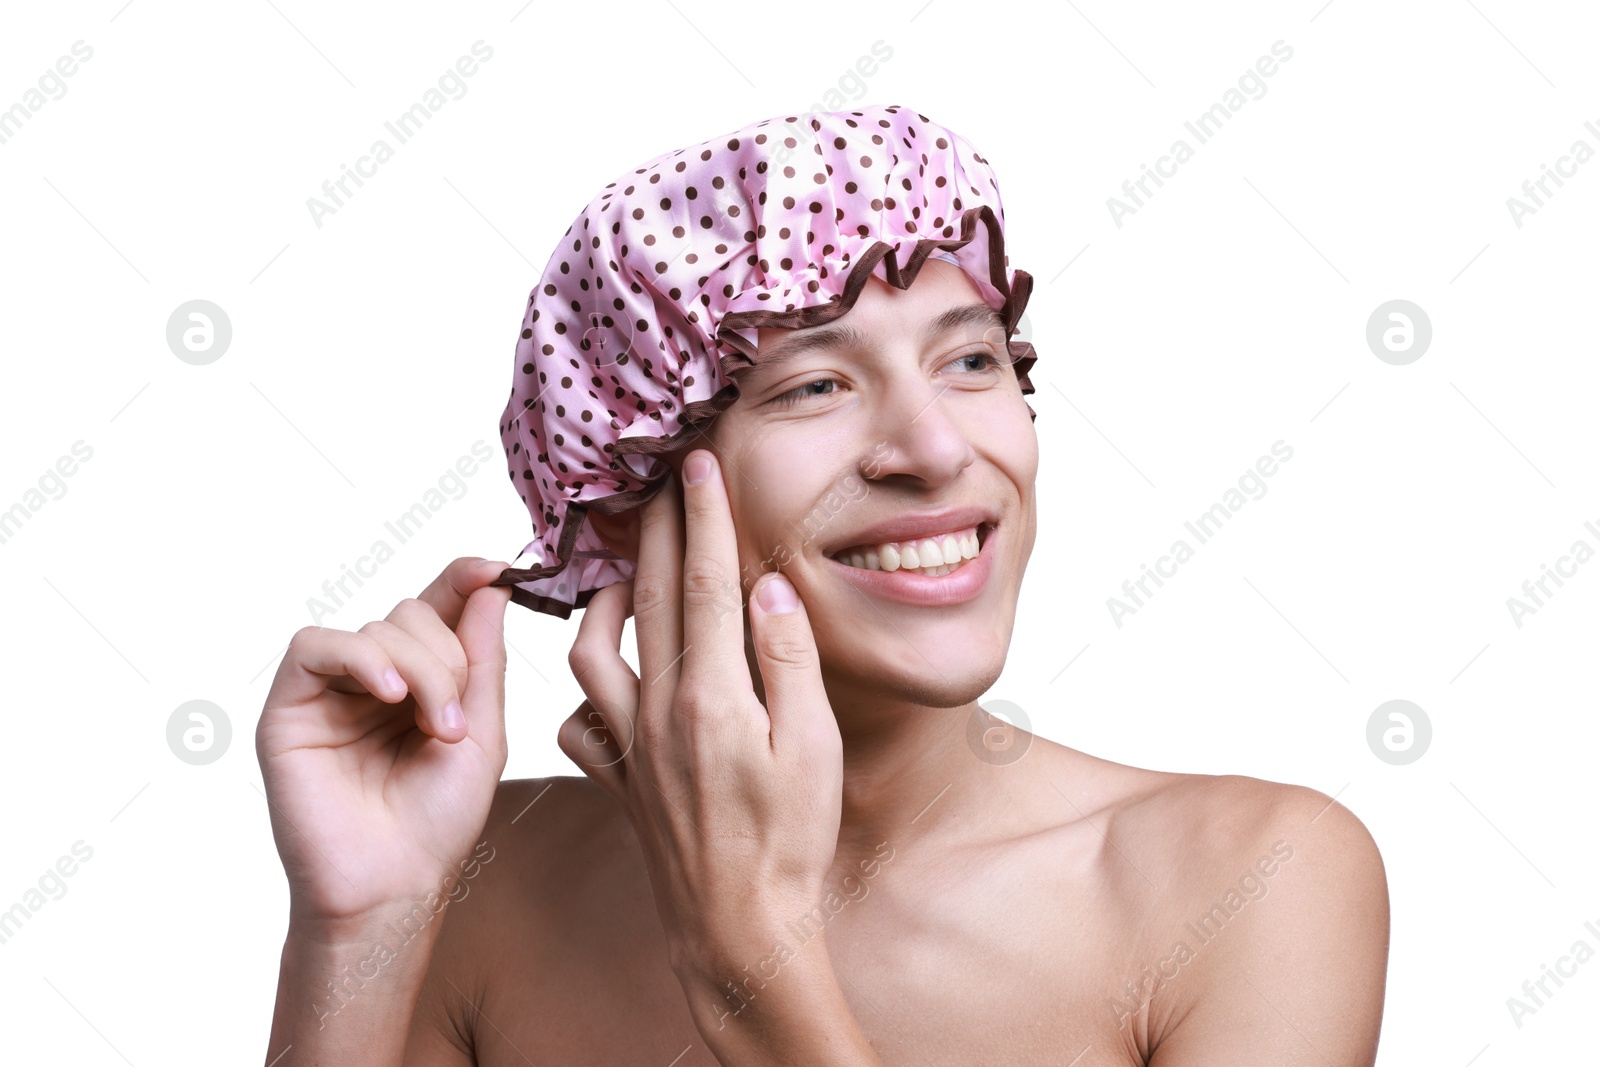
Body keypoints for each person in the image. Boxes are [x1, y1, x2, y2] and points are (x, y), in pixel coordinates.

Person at [258, 104, 1388, 1065]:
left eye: (971, 358)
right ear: (624, 489)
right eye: (811, 386)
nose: (936, 447)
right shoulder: (477, 884)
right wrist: (359, 929)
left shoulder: (1253, 880)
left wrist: (749, 961)